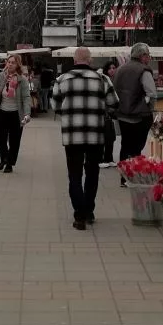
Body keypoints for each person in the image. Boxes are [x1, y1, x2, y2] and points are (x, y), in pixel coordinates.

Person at [52, 47, 118, 231]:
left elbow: (55, 104)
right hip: (95, 135)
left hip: (72, 135)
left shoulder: (62, 79)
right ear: (89, 60)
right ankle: (88, 211)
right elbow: (114, 102)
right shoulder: (102, 79)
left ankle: (79, 214)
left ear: (74, 60)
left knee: (74, 175)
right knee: (92, 173)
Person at [112, 42, 156, 187]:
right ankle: (134, 176)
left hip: (122, 114)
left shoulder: (120, 69)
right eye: (148, 55)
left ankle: (124, 178)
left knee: (125, 146)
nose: (149, 58)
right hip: (139, 116)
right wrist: (150, 109)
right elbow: (152, 93)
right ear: (142, 56)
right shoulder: (144, 70)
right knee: (136, 148)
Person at [0, 54, 31, 173]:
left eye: (13, 62)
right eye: (9, 62)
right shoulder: (1, 75)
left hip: (15, 113)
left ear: (17, 64)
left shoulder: (22, 79)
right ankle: (4, 158)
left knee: (14, 140)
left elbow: (26, 97)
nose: (10, 64)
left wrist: (27, 114)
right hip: (2, 111)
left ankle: (9, 163)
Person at [100, 61, 119, 167]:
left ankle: (109, 158)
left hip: (112, 112)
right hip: (106, 111)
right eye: (110, 68)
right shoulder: (104, 80)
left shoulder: (117, 80)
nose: (112, 70)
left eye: (114, 67)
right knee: (106, 136)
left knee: (111, 136)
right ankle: (103, 159)